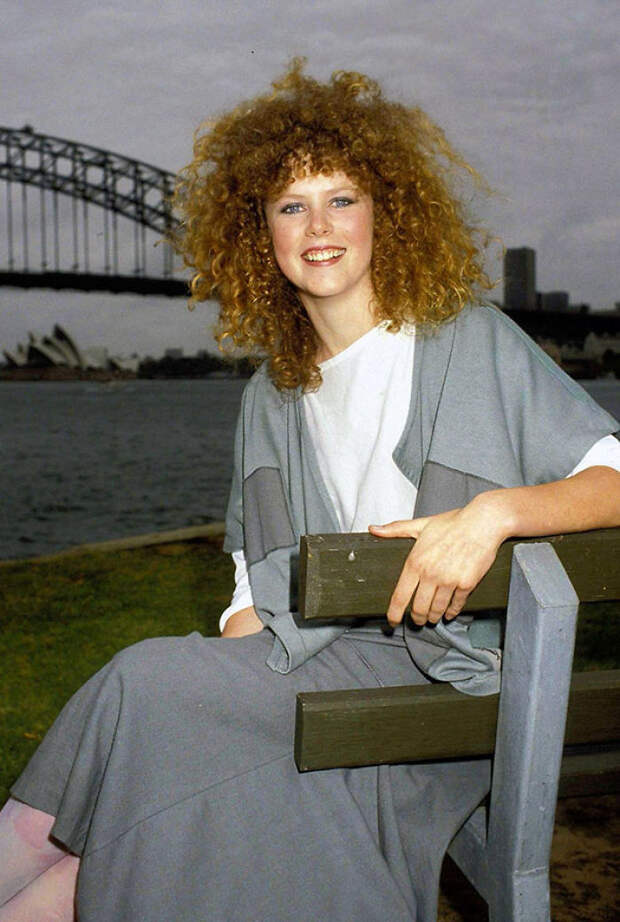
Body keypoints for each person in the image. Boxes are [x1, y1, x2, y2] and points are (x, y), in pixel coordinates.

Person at [1, 60, 619, 922]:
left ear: (385, 215)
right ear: (261, 235)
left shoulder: (470, 340)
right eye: (291, 205)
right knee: (165, 777)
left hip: (444, 695)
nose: (318, 225)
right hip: (310, 682)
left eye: (342, 198)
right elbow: (254, 587)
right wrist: (235, 677)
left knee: (145, 682)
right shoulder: (270, 392)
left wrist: (497, 513)